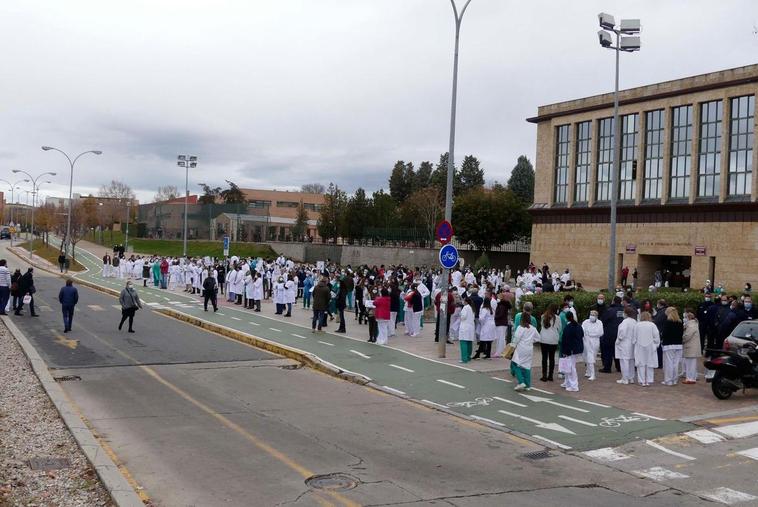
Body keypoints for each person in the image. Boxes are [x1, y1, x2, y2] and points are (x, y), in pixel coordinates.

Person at [511, 311, 539, 391]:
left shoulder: (520, 328)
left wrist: (512, 347)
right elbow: (538, 338)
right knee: (527, 366)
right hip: (529, 349)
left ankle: (521, 382)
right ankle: (528, 385)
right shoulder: (533, 328)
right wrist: (530, 341)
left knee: (515, 364)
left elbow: (516, 340)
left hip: (520, 349)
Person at [559, 311, 584, 392]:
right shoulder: (578, 326)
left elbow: (565, 340)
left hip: (570, 350)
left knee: (571, 367)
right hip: (576, 349)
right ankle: (567, 382)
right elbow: (581, 336)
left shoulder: (568, 327)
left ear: (566, 318)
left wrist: (565, 351)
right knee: (569, 366)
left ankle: (574, 386)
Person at [634, 311, 660, 387]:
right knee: (649, 363)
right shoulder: (652, 325)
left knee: (641, 363)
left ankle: (642, 380)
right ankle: (649, 380)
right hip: (650, 346)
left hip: (639, 345)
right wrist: (655, 344)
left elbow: (634, 337)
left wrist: (635, 342)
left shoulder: (637, 325)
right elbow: (656, 336)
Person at [599, 296, 624, 373]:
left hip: (609, 333)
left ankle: (607, 367)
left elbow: (603, 320)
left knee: (608, 351)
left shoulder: (610, 310)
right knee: (618, 351)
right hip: (620, 334)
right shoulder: (624, 310)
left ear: (613, 301)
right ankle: (619, 367)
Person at [661, 306, 684, 386]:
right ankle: (674, 379)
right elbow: (681, 334)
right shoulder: (680, 322)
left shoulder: (667, 322)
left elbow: (665, 334)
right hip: (678, 345)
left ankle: (668, 380)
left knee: (669, 363)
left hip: (669, 345)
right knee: (676, 363)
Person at [615, 306, 638, 384]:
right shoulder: (634, 321)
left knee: (624, 361)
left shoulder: (625, 322)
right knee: (631, 361)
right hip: (632, 343)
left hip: (624, 343)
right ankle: (631, 378)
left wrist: (618, 340)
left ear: (626, 313)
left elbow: (622, 332)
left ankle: (625, 378)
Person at [539, 304, 561, 382]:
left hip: (544, 339)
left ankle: (544, 376)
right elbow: (560, 328)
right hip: (553, 339)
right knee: (552, 358)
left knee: (544, 358)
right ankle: (550, 376)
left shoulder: (543, 316)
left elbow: (541, 325)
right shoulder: (557, 318)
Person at [581, 310, 603, 381]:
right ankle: (588, 371)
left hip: (595, 342)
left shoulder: (599, 323)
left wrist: (591, 334)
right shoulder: (585, 322)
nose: (592, 316)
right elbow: (582, 330)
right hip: (586, 341)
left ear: (596, 316)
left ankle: (593, 374)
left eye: (594, 315)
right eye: (591, 314)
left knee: (591, 357)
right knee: (586, 356)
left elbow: (600, 332)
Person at [682, 309, 701, 384]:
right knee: (691, 363)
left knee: (690, 364)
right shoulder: (693, 324)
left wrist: (682, 339)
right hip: (692, 347)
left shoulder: (691, 325)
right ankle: (690, 377)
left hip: (691, 347)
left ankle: (691, 378)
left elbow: (687, 336)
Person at [458, 298, 476, 363]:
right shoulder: (472, 308)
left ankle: (464, 359)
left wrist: (460, 315)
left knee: (463, 343)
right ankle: (468, 357)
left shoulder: (466, 307)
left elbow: (463, 316)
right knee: (469, 343)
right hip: (470, 327)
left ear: (465, 301)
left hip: (465, 327)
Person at [494, 291, 511, 357]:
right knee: (502, 338)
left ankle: (499, 352)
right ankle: (502, 351)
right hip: (503, 322)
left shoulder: (501, 305)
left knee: (500, 338)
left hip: (500, 322)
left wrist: (495, 317)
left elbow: (500, 314)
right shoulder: (504, 305)